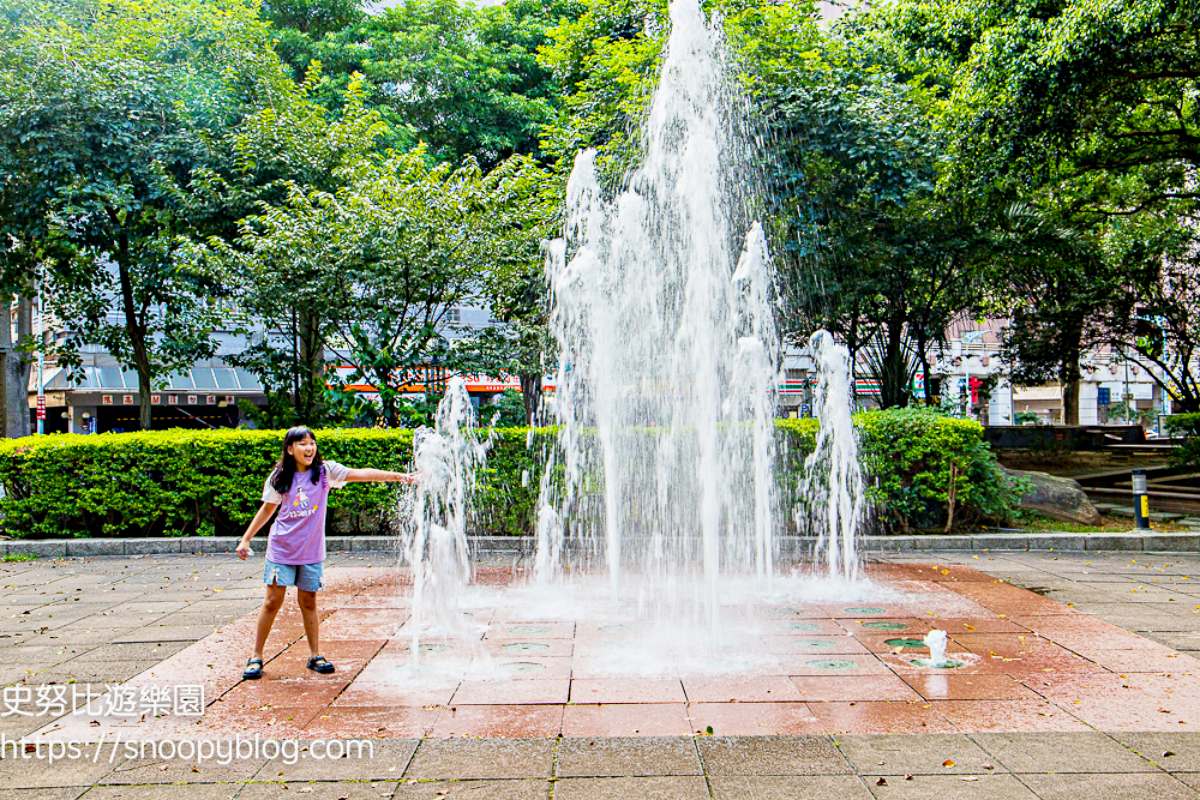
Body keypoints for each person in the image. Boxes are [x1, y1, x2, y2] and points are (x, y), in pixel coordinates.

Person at [236, 426, 416, 679]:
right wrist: (246, 540)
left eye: (312, 443)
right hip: (282, 549)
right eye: (302, 444)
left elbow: (361, 474)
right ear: (290, 449)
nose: (309, 448)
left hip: (311, 551)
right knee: (272, 602)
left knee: (308, 601)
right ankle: (256, 656)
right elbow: (267, 510)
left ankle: (314, 655)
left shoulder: (325, 472)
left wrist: (401, 476)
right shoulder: (279, 476)